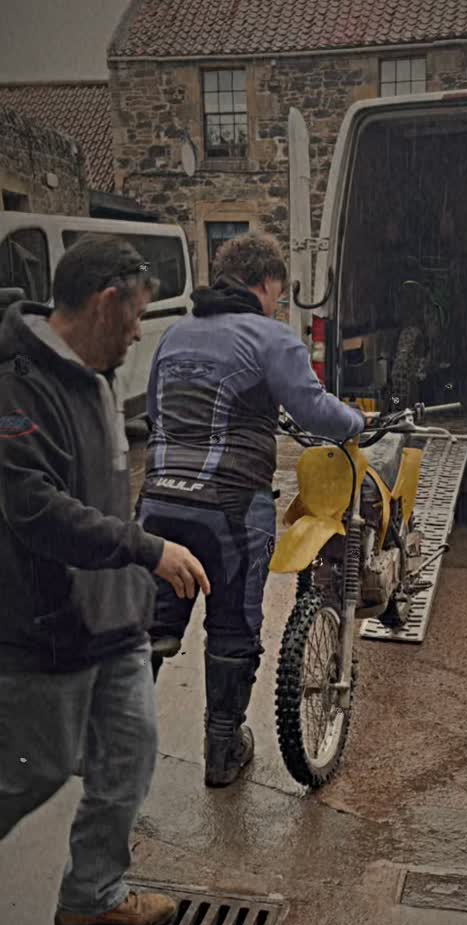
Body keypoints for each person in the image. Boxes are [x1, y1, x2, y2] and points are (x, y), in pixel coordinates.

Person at [0, 235, 210, 925]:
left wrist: (133, 577)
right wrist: (145, 549)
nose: (135, 336)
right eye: (132, 320)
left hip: (115, 616)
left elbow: (107, 488)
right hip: (46, 623)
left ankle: (92, 893)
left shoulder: (97, 369)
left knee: (129, 753)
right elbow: (35, 509)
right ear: (104, 302)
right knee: (32, 771)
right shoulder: (16, 382)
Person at [138, 232, 366, 788]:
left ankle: (121, 744)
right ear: (266, 284)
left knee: (150, 629)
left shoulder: (173, 336)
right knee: (233, 628)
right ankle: (223, 750)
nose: (278, 304)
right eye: (279, 293)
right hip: (230, 510)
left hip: (157, 507)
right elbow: (314, 413)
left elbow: (151, 413)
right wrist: (358, 423)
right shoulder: (271, 337)